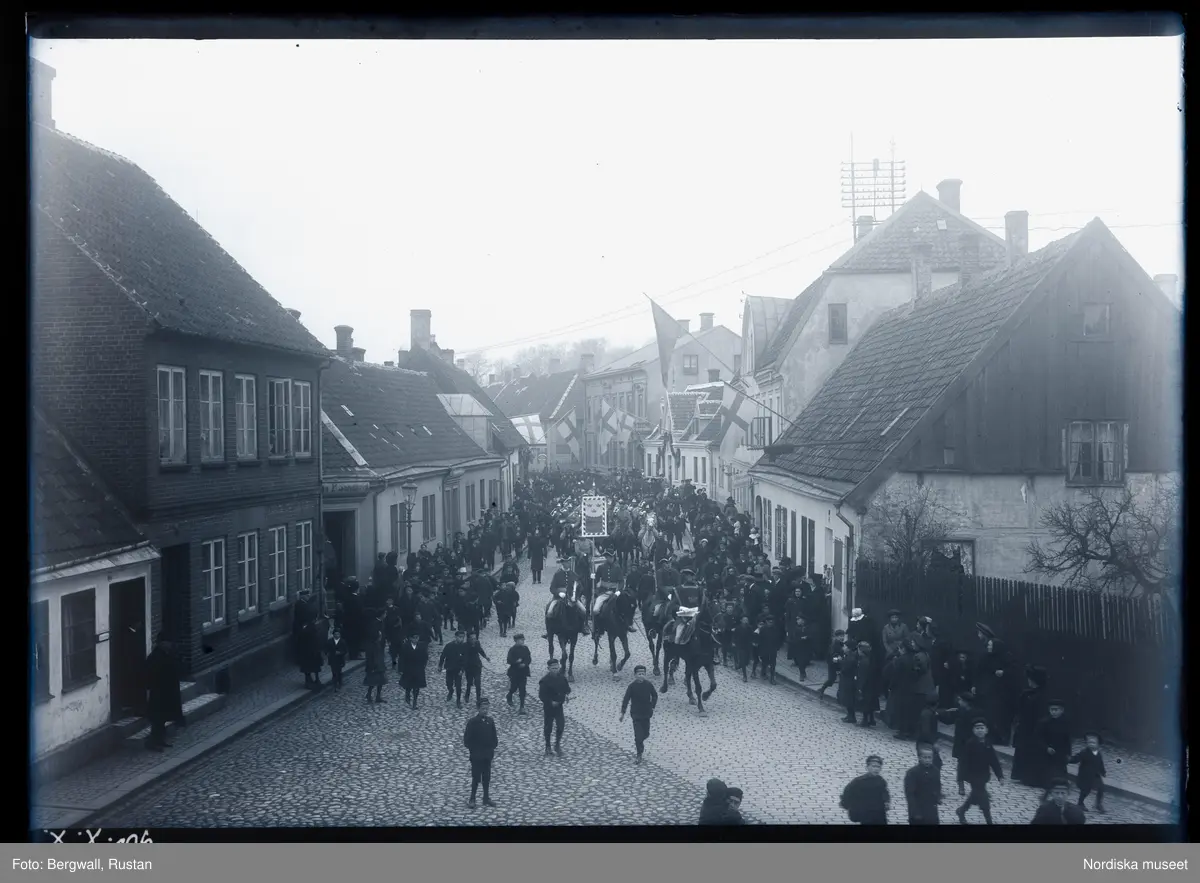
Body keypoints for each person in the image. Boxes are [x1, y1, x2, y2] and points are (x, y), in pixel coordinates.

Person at [955, 717, 1004, 824]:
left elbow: (994, 761)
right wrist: (961, 779)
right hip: (973, 776)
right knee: (983, 797)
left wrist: (1000, 776)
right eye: (977, 728)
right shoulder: (970, 744)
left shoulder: (988, 743)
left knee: (975, 796)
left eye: (982, 728)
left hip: (984, 775)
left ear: (986, 730)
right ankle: (989, 820)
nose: (980, 730)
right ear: (973, 730)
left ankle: (961, 811)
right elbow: (963, 762)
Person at [144, 634, 185, 752]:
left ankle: (160, 740)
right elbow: (150, 674)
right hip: (159, 693)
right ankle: (152, 742)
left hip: (166, 692)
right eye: (167, 642)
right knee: (157, 719)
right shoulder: (155, 657)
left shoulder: (167, 654)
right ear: (161, 643)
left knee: (162, 719)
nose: (170, 645)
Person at [463, 697, 499, 809]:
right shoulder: (473, 722)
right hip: (477, 755)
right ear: (478, 709)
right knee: (476, 777)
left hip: (487, 754)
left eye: (487, 709)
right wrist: (474, 750)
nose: (485, 711)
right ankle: (472, 798)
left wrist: (492, 747)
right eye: (483, 709)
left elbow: (494, 737)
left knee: (486, 776)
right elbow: (467, 740)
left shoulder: (490, 721)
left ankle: (486, 798)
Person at [620, 664, 659, 764]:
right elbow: (626, 699)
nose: (641, 675)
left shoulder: (648, 685)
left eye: (643, 674)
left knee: (646, 733)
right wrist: (623, 712)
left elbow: (654, 695)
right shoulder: (632, 687)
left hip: (646, 713)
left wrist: (652, 706)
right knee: (638, 736)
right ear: (635, 675)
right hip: (636, 714)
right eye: (639, 674)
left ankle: (642, 739)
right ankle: (639, 754)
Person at [1036, 699, 1072, 799]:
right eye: (1052, 709)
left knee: (1061, 773)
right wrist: (1046, 748)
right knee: (1049, 774)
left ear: (1062, 710)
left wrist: (1069, 753)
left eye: (1056, 710)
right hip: (1047, 754)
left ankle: (1061, 791)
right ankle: (1047, 792)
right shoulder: (1044, 722)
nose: (1054, 712)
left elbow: (1067, 739)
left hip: (1061, 752)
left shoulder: (1066, 722)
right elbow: (1038, 738)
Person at [839, 756, 890, 825]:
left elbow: (885, 792)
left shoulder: (881, 780)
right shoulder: (859, 781)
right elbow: (848, 792)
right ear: (867, 767)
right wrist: (846, 804)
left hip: (879, 812)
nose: (876, 769)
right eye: (873, 766)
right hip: (865, 812)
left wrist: (886, 801)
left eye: (878, 767)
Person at [538, 658, 571, 756]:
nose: (555, 670)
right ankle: (548, 746)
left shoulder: (562, 678)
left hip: (559, 707)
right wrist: (550, 702)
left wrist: (566, 695)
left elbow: (567, 689)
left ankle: (557, 744)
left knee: (561, 726)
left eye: (557, 668)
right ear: (548, 668)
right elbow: (542, 695)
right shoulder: (544, 681)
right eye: (553, 668)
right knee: (548, 727)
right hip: (549, 708)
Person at [904, 743, 943, 825]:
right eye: (925, 757)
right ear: (919, 758)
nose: (927, 760)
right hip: (918, 807)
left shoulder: (935, 771)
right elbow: (910, 794)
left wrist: (938, 796)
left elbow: (937, 785)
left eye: (929, 757)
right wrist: (915, 811)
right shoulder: (912, 772)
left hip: (931, 808)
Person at [1070, 732, 1107, 814]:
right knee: (1085, 790)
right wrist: (1070, 759)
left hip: (1095, 775)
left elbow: (1100, 764)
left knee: (1101, 788)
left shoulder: (1099, 754)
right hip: (1085, 776)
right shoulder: (1084, 752)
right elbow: (1077, 758)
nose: (1091, 744)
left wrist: (1103, 771)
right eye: (1089, 742)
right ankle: (1080, 803)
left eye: (1093, 743)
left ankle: (1098, 804)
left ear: (1098, 745)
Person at [439, 630, 469, 708]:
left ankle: (458, 701)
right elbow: (443, 656)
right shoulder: (449, 646)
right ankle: (450, 690)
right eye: (460, 637)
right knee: (448, 683)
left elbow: (465, 659)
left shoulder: (464, 647)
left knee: (458, 686)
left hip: (458, 669)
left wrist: (462, 670)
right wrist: (440, 666)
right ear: (456, 637)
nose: (461, 639)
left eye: (463, 637)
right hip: (449, 668)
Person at [399, 629, 428, 709]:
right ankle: (407, 694)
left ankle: (415, 702)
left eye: (417, 637)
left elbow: (425, 657)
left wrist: (423, 665)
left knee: (417, 686)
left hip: (418, 669)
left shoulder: (422, 646)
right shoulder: (405, 646)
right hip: (408, 668)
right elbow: (401, 658)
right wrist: (401, 669)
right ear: (410, 638)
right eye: (414, 638)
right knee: (409, 684)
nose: (416, 639)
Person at [505, 633, 532, 714]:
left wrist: (525, 664)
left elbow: (529, 658)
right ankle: (509, 695)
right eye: (521, 640)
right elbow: (509, 660)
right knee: (514, 688)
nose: (523, 641)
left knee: (522, 689)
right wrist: (516, 662)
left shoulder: (525, 648)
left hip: (523, 672)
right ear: (516, 641)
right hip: (514, 672)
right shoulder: (512, 649)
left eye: (523, 639)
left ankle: (522, 707)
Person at [817, 629, 847, 700]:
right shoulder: (834, 645)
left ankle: (839, 695)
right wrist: (838, 658)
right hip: (833, 665)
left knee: (840, 679)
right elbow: (832, 656)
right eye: (840, 636)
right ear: (836, 637)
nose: (842, 638)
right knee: (831, 679)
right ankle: (822, 689)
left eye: (843, 636)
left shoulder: (840, 643)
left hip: (838, 664)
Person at [463, 632, 490, 708]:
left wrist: (485, 657)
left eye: (475, 638)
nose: (474, 640)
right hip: (468, 667)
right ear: (468, 639)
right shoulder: (465, 645)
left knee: (478, 683)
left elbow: (480, 650)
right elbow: (464, 657)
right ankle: (467, 695)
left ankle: (478, 699)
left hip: (477, 666)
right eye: (472, 639)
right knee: (469, 682)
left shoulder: (477, 643)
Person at [324, 627, 348, 691]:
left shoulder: (342, 641)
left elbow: (345, 650)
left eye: (338, 634)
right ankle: (335, 683)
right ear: (333, 634)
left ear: (340, 635)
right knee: (334, 671)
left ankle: (339, 682)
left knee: (339, 671)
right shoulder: (330, 641)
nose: (337, 635)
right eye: (335, 634)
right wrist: (327, 653)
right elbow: (326, 649)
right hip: (332, 659)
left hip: (340, 659)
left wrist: (340, 652)